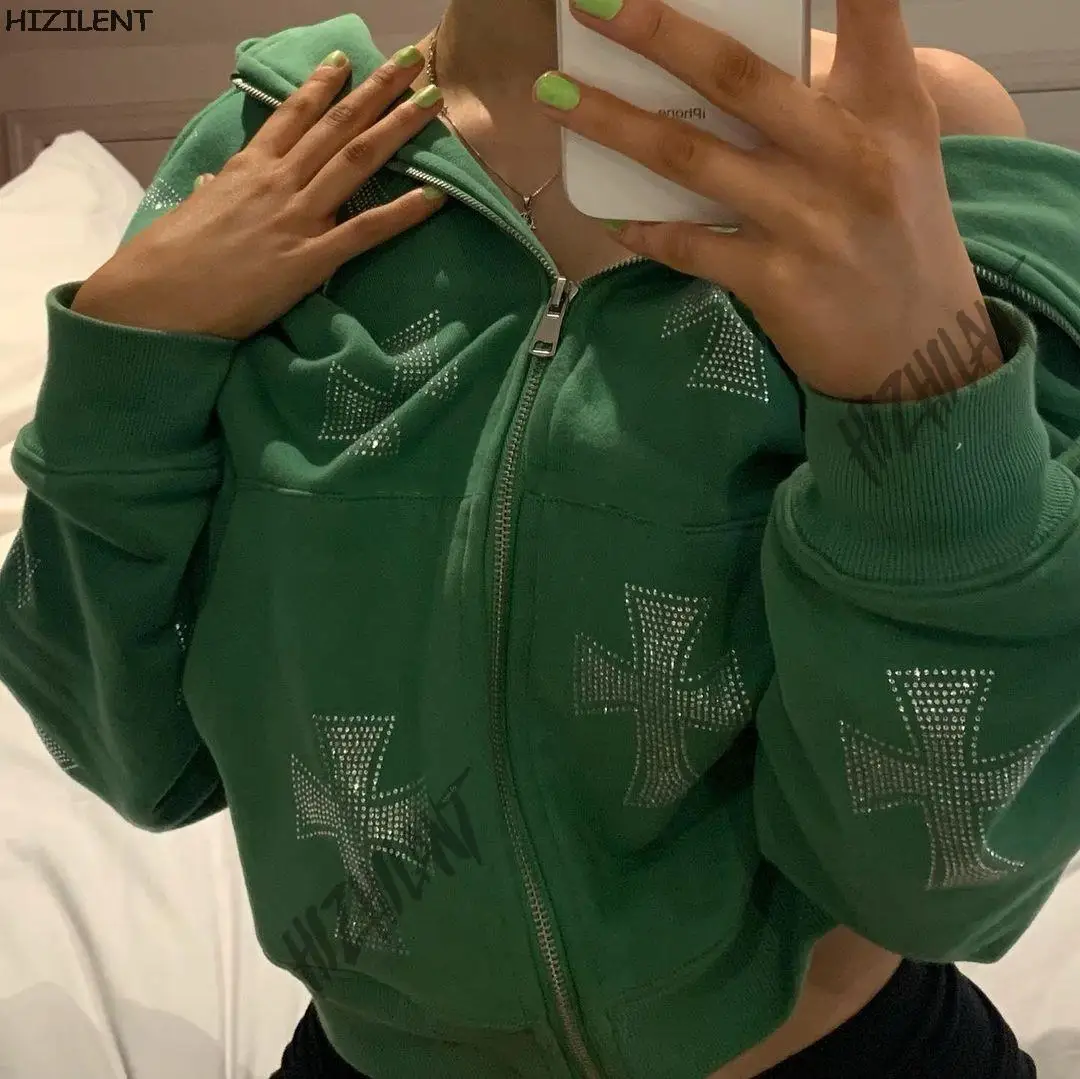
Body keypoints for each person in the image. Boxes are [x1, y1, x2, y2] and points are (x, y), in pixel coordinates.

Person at [2, 0, 1077, 1075]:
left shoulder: (909, 130)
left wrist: (919, 393)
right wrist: (123, 352)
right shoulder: (286, 142)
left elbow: (940, 879)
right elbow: (129, 753)